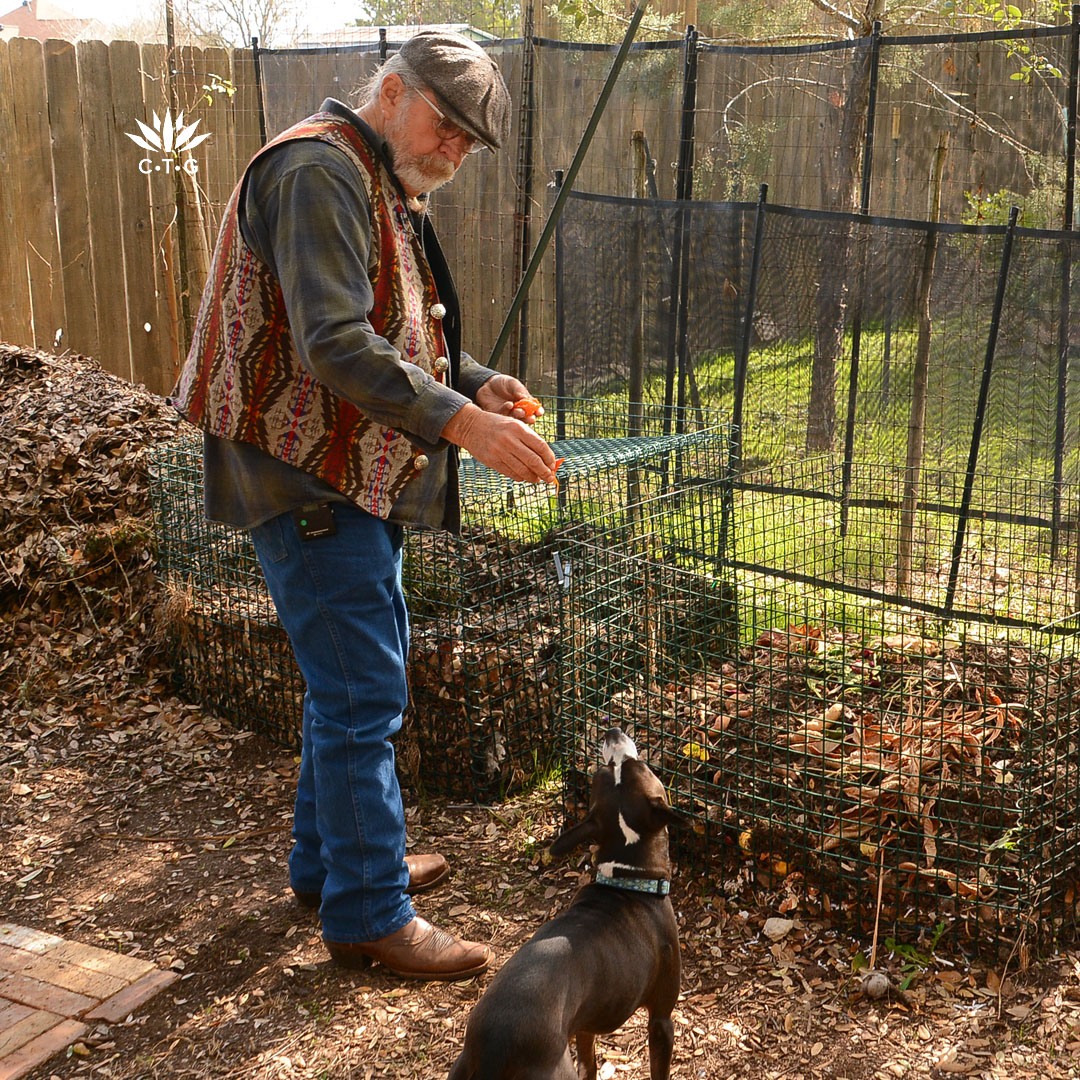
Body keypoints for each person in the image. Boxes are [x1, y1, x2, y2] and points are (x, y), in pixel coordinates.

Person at [170, 30, 557, 981]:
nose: (456, 150)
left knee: (346, 678)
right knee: (363, 692)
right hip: (302, 474)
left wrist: (477, 379)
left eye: (471, 141)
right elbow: (335, 344)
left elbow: (394, 327)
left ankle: (335, 868)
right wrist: (463, 423)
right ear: (391, 91)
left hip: (345, 468)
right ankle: (370, 914)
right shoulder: (315, 172)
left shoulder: (372, 177)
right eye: (448, 124)